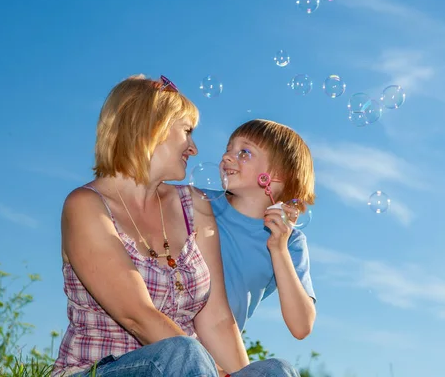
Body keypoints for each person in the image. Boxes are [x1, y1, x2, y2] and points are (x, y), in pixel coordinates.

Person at [52, 76, 299, 377]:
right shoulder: (86, 206)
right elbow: (137, 316)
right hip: (101, 369)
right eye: (186, 131)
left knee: (275, 371)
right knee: (182, 352)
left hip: (192, 368)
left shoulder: (194, 205)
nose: (194, 148)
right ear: (150, 127)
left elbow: (217, 320)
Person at [211, 119, 317, 337]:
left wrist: (279, 249)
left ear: (277, 175)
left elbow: (302, 327)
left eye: (244, 152)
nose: (226, 157)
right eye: (228, 149)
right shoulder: (197, 203)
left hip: (222, 352)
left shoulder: (290, 241)